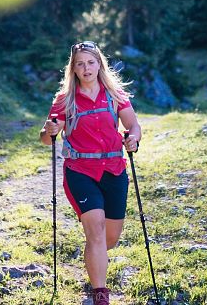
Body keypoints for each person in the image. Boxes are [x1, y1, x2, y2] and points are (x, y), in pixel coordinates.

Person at [40, 41, 141, 305]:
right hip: (80, 171)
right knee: (95, 231)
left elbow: (133, 125)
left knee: (109, 238)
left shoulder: (114, 94)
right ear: (73, 69)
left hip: (114, 169)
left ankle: (93, 256)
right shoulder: (65, 100)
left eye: (91, 62)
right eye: (80, 64)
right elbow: (46, 136)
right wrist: (49, 132)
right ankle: (100, 294)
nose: (86, 68)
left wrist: (133, 139)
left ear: (99, 64)